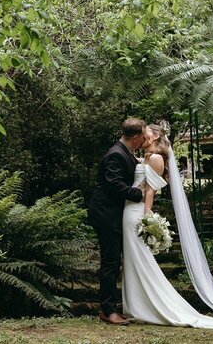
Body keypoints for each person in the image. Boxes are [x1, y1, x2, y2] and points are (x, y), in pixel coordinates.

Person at [120, 123, 213, 328]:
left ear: (155, 135)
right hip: (129, 209)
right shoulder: (146, 156)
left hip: (136, 212)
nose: (142, 134)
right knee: (134, 257)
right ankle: (137, 304)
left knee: (140, 258)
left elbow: (150, 191)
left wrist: (147, 217)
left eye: (146, 132)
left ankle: (147, 305)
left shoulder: (155, 158)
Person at [87, 118, 150, 325]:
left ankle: (113, 307)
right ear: (135, 137)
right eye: (143, 135)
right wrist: (139, 194)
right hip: (106, 214)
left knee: (114, 261)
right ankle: (108, 310)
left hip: (115, 214)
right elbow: (114, 185)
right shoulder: (116, 154)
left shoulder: (126, 152)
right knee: (110, 261)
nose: (144, 138)